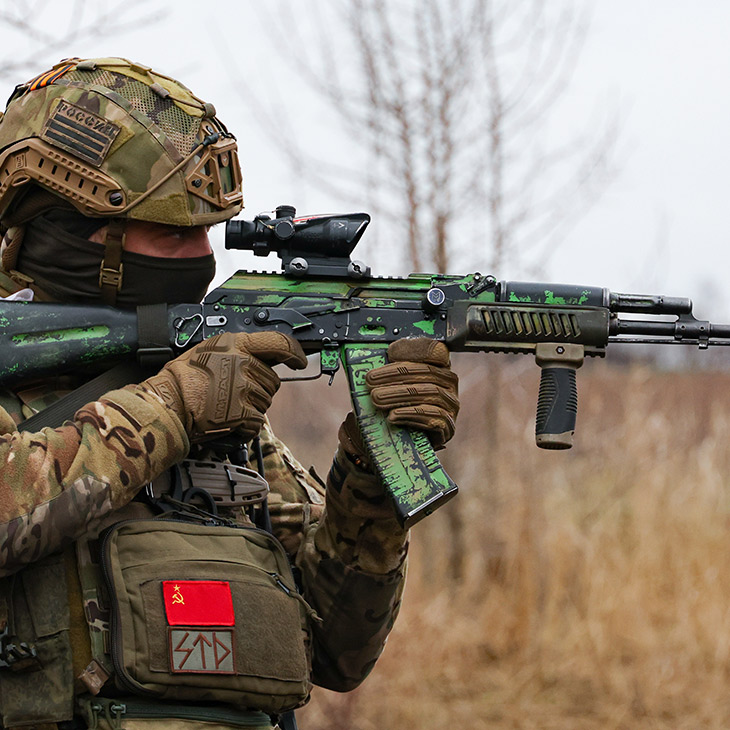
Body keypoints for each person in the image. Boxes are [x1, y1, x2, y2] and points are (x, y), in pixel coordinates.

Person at [0, 58, 460, 730]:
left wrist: (373, 469)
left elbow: (334, 652)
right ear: (77, 234)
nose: (200, 260)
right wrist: (170, 409)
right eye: (173, 233)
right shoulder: (181, 398)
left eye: (207, 234)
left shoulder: (230, 428)